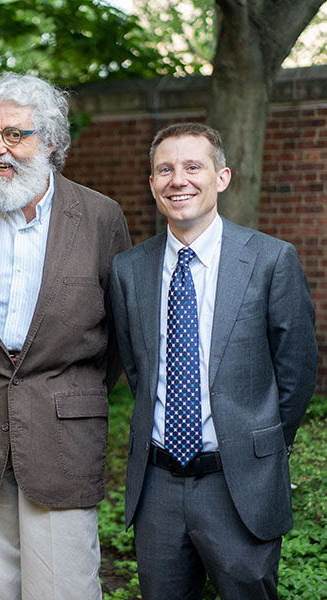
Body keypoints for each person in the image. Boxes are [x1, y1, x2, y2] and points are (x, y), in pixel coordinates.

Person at [0, 72, 131, 599]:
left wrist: (65, 392)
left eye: (15, 134)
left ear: (51, 142)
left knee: (67, 590)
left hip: (63, 433)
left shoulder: (100, 217)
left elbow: (116, 337)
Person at [109, 122, 318, 599]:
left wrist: (261, 446)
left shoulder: (270, 260)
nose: (178, 179)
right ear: (152, 184)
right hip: (157, 487)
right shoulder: (128, 270)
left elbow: (297, 370)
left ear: (221, 177)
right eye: (165, 169)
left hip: (239, 483)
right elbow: (139, 368)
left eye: (192, 166)